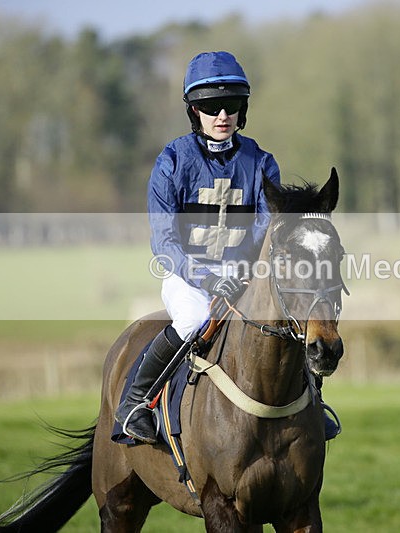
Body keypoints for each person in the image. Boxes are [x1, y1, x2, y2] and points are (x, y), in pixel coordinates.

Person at [115, 51, 281, 444]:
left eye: (232, 105)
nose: (222, 115)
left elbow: (265, 229)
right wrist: (205, 277)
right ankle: (134, 403)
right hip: (187, 275)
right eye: (210, 106)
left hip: (242, 274)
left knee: (284, 317)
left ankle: (310, 407)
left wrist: (240, 272)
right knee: (192, 321)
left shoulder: (262, 163)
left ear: (243, 109)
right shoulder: (171, 161)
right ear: (194, 111)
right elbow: (164, 240)